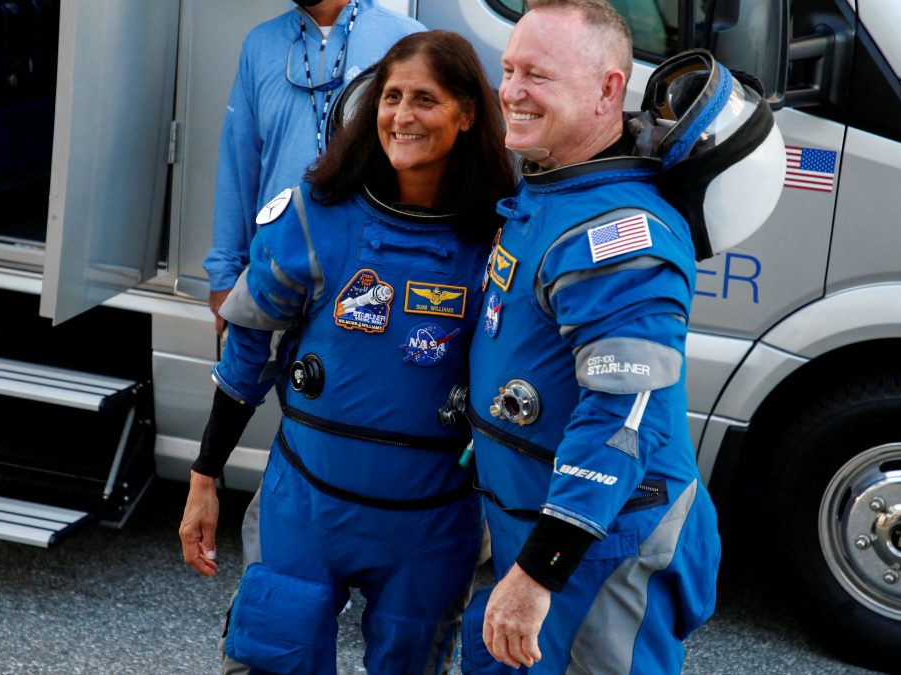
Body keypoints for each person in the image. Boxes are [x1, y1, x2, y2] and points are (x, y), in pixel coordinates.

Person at [179, 30, 516, 674]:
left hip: (433, 523)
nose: (402, 115)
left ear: (468, 114)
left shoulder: (502, 239)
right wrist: (204, 479)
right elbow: (248, 355)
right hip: (307, 507)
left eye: (426, 99)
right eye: (391, 97)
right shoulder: (314, 217)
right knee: (271, 659)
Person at [461, 1, 723, 672]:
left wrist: (539, 571)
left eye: (537, 76)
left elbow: (622, 416)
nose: (512, 92)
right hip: (542, 530)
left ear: (609, 90)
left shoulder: (620, 235)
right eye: (509, 69)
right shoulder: (555, 189)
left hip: (600, 551)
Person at [203, 0, 424, 334]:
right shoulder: (260, 44)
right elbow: (238, 165)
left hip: (368, 274)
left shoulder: (405, 40)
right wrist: (224, 274)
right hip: (277, 270)